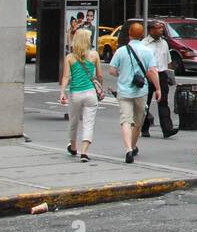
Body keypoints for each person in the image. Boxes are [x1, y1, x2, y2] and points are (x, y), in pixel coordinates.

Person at [110, 22, 160, 163]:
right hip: (141, 91)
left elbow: (112, 70)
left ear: (129, 35)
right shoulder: (147, 51)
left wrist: (121, 73)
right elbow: (152, 72)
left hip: (124, 91)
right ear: (142, 35)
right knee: (138, 122)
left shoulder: (121, 51)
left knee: (125, 121)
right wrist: (158, 88)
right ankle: (133, 146)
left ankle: (128, 150)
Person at [59, 28, 103, 162]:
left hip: (75, 93)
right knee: (89, 123)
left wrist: (62, 92)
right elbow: (99, 75)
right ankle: (84, 152)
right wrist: (100, 87)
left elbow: (66, 77)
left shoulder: (70, 57)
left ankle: (73, 147)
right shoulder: (94, 55)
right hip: (90, 93)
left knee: (73, 121)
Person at [140, 20, 177, 138]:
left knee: (164, 102)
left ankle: (167, 129)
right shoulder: (144, 44)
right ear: (151, 30)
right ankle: (144, 128)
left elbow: (168, 60)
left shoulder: (164, 43)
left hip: (161, 74)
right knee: (145, 103)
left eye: (162, 28)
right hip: (148, 74)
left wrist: (170, 75)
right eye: (158, 28)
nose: (161, 30)